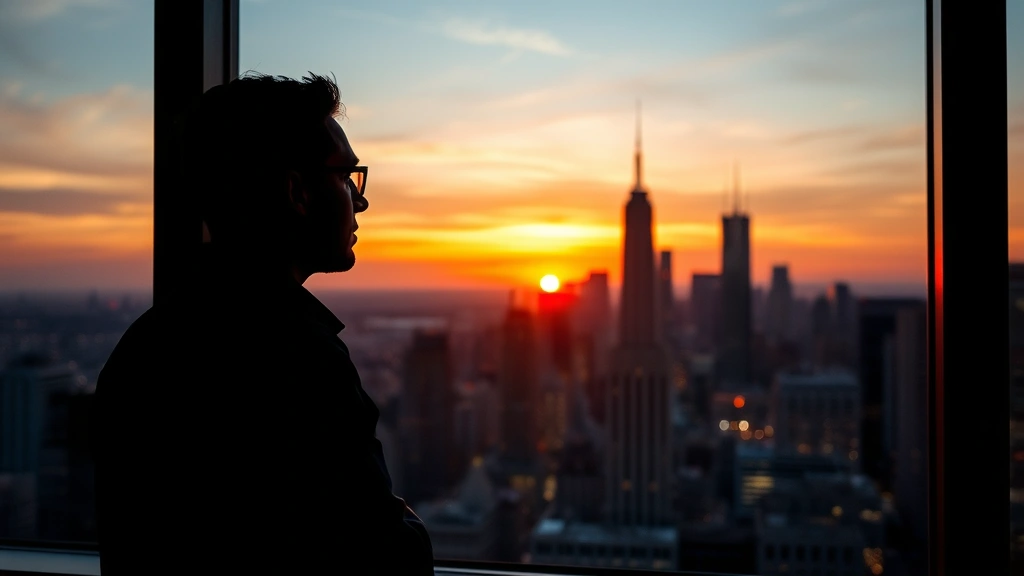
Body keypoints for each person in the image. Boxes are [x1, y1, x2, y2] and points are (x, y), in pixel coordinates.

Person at [91, 73, 434, 574]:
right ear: (296, 190)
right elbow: (389, 559)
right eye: (345, 177)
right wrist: (408, 523)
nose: (359, 202)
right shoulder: (300, 358)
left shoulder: (145, 346)